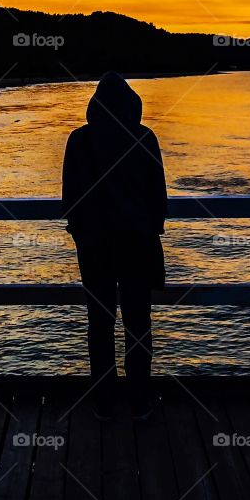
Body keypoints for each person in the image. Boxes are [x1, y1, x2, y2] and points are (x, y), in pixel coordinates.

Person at [62, 72, 167, 421]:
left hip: (94, 247)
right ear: (133, 105)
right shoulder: (144, 138)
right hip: (137, 244)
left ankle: (104, 401)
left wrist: (82, 233)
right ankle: (140, 401)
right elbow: (158, 198)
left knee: (100, 324)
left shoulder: (79, 141)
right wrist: (151, 228)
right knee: (138, 324)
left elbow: (70, 199)